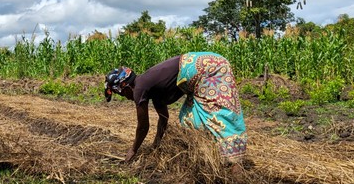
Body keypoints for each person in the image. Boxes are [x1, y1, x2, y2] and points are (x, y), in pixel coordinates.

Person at [104, 52, 247, 172]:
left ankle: (236, 166)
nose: (126, 98)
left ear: (125, 87)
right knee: (188, 119)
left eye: (122, 94)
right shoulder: (153, 90)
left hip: (209, 68)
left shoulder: (139, 88)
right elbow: (163, 119)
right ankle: (214, 159)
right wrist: (156, 145)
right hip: (206, 66)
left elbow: (143, 126)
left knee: (217, 113)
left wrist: (133, 150)